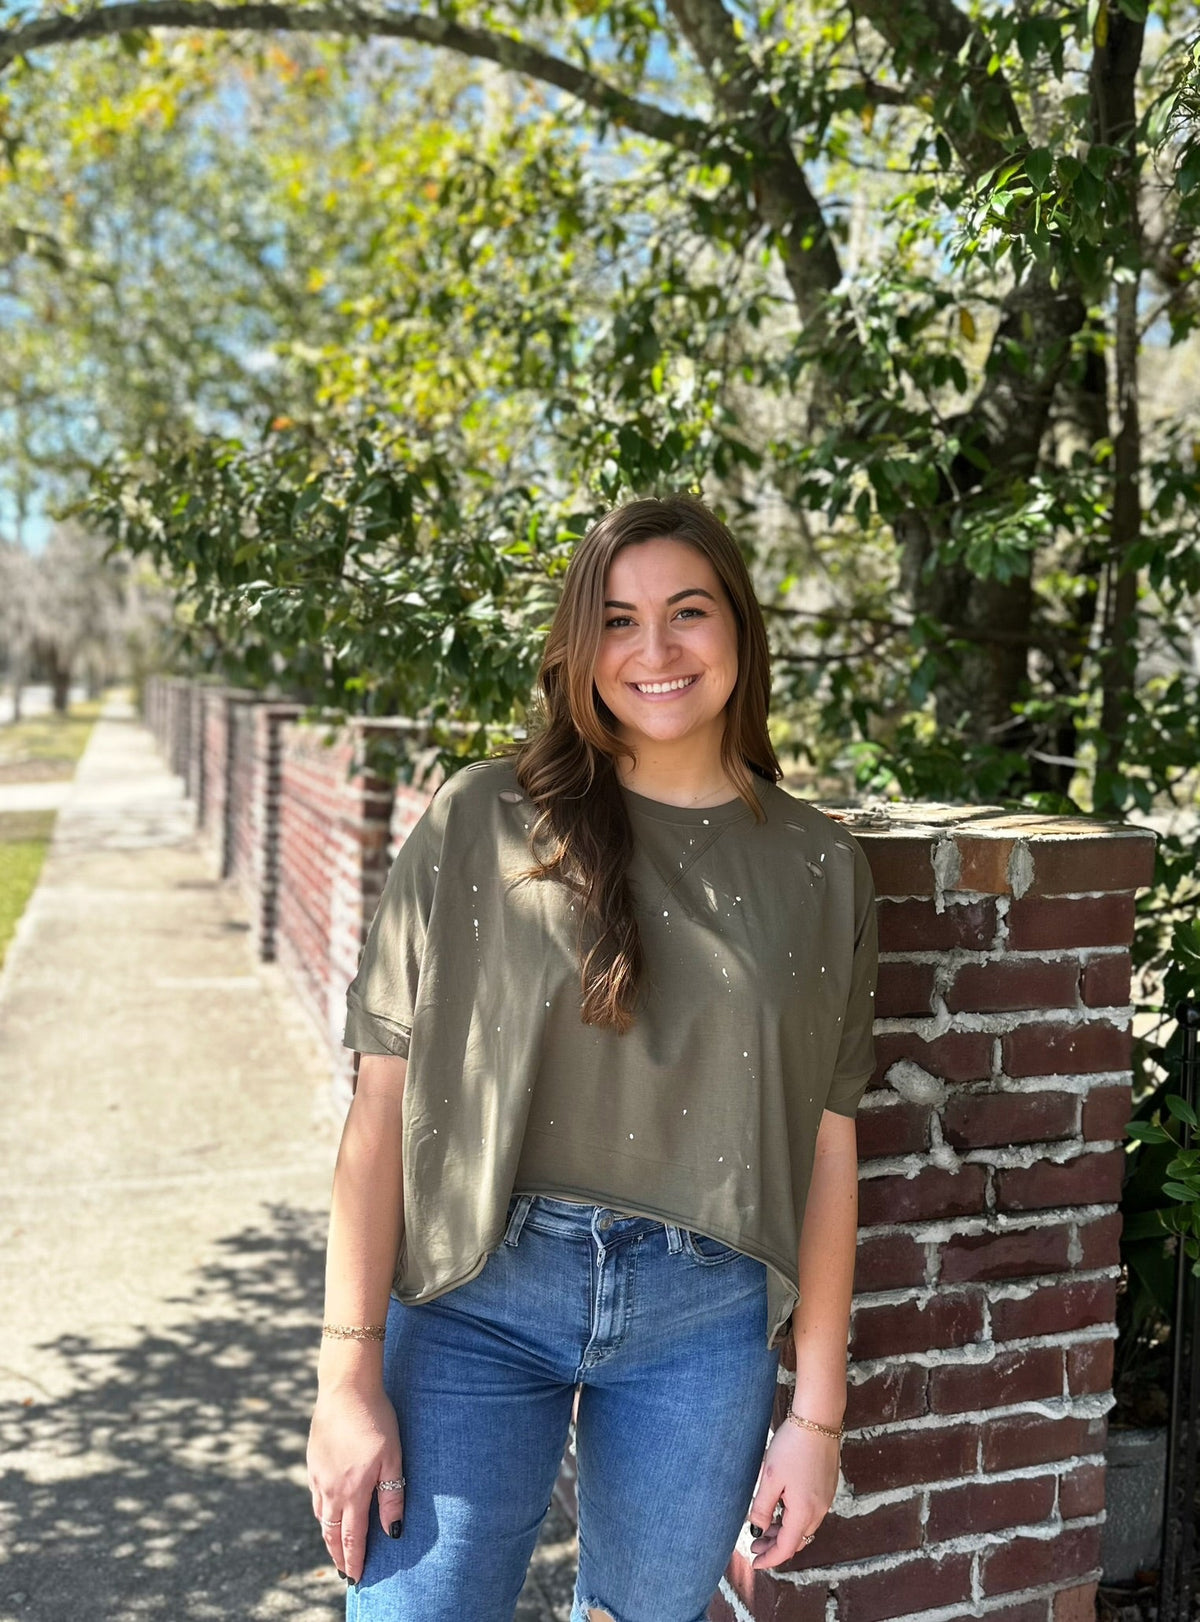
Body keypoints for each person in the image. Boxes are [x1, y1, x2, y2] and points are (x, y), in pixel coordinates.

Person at [306, 492, 878, 1622]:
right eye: (617, 619)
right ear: (578, 645)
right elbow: (378, 1115)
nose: (654, 650)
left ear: (741, 632)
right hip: (476, 1293)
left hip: (701, 1323)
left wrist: (817, 1413)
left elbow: (828, 1148)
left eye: (688, 612)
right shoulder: (481, 819)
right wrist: (344, 1375)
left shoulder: (821, 867)